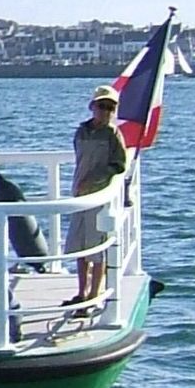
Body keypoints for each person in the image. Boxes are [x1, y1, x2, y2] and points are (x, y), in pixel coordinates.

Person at [66, 84, 129, 313]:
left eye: (110, 108)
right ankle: (81, 292)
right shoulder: (81, 131)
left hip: (98, 197)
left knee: (96, 249)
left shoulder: (113, 135)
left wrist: (95, 179)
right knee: (78, 247)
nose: (105, 112)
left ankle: (94, 295)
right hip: (78, 194)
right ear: (92, 107)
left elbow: (119, 165)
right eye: (101, 106)